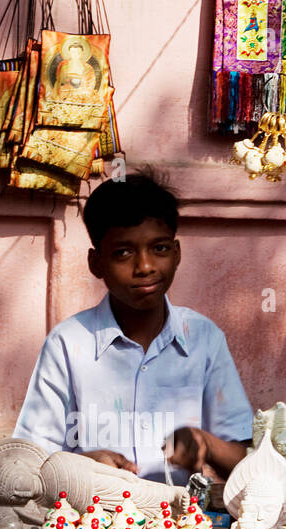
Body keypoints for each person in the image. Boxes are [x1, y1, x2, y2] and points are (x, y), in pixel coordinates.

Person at [13, 172, 252, 484]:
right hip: (91, 523)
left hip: (182, 525)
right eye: (123, 253)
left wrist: (206, 444)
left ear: (177, 254)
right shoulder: (68, 345)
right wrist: (81, 464)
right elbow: (27, 465)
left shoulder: (203, 338)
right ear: (96, 263)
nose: (145, 267)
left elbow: (246, 464)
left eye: (160, 248)